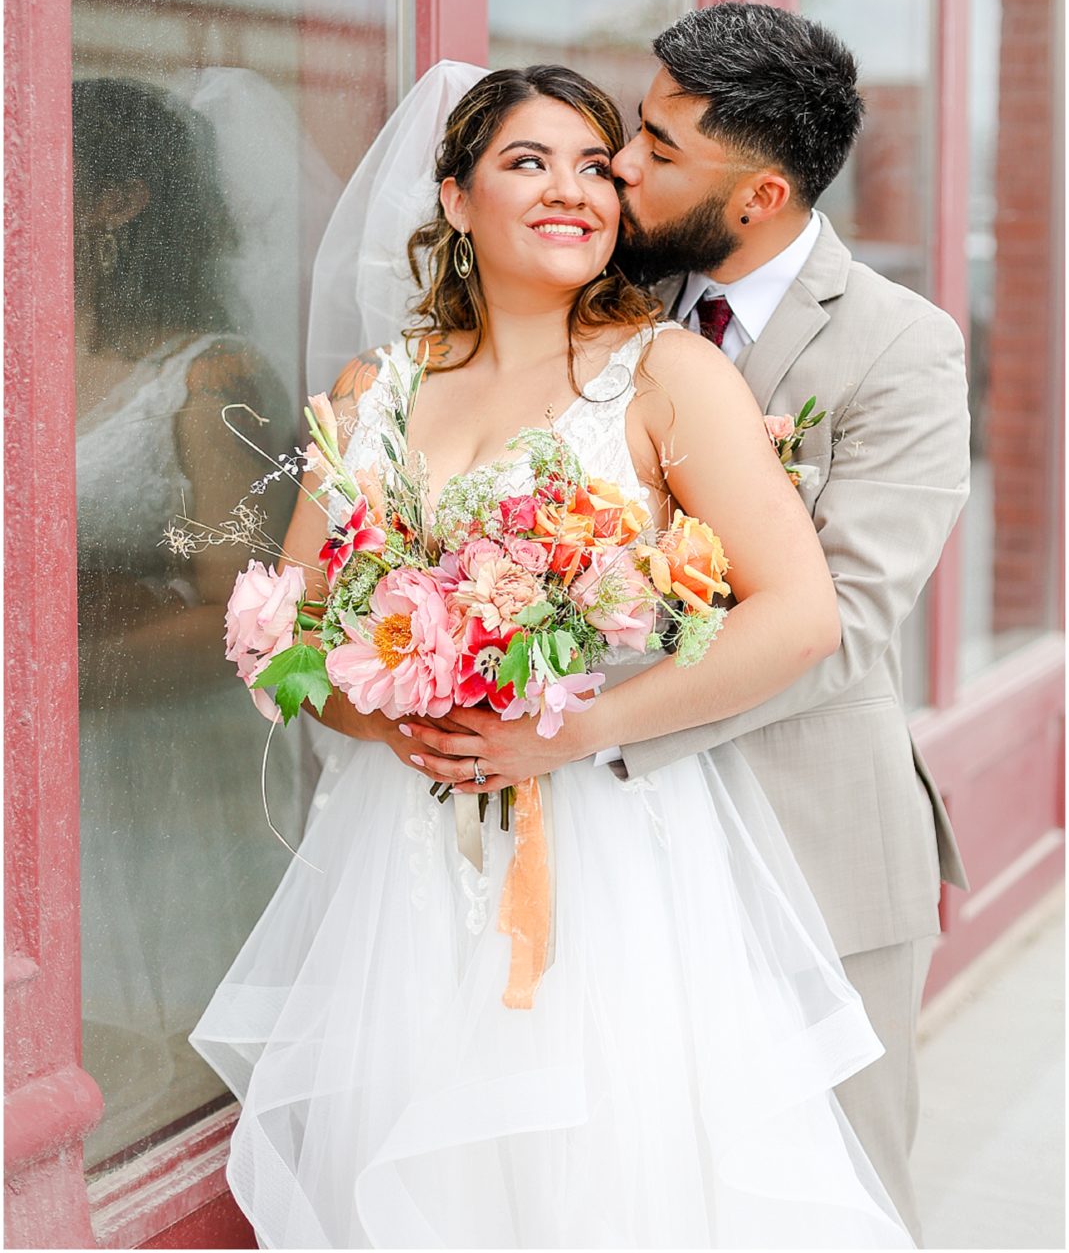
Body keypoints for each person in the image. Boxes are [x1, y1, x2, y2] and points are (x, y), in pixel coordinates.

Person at [192, 63, 915, 1248]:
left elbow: (797, 614)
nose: (573, 190)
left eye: (595, 166)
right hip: (408, 863)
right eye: (527, 162)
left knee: (609, 1178)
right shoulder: (374, 388)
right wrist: (394, 716)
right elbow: (299, 629)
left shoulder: (667, 375)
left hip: (608, 859)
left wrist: (569, 730)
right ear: (455, 197)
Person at [399, 8, 972, 1245]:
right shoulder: (609, 288)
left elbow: (845, 620)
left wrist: (587, 731)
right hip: (610, 858)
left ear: (758, 193)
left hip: (812, 837)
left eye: (655, 147)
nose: (617, 169)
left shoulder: (900, 351)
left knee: (839, 1186)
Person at [73, 77, 297, 1163]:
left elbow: (240, 611)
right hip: (50, 766)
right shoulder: (25, 355)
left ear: (115, 199)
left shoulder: (217, 377)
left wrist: (54, 674)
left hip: (157, 771)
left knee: (145, 1066)